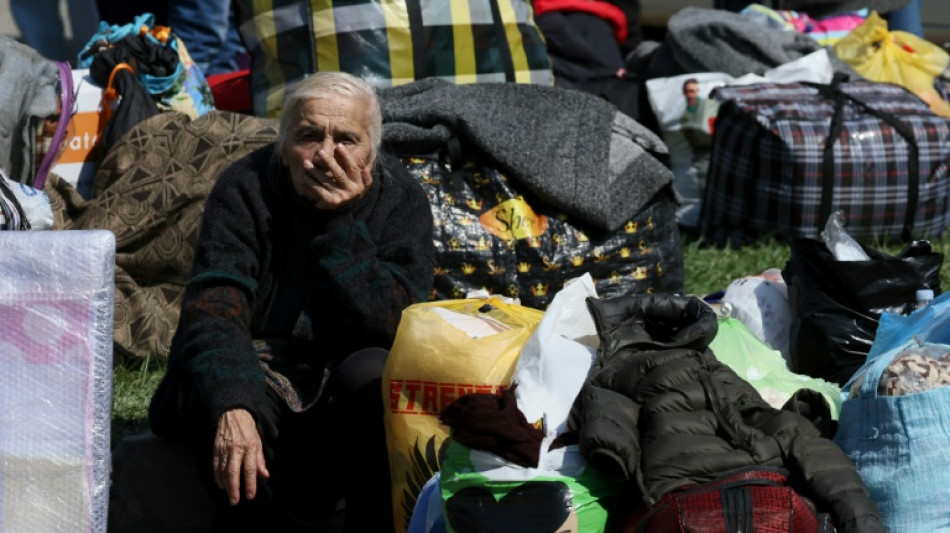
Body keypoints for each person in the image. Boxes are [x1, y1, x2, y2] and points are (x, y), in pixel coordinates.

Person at [148, 71, 435, 531]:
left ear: (371, 152)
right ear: (283, 146)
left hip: (342, 366)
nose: (325, 155)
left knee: (375, 376)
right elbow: (215, 309)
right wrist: (233, 402)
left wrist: (341, 225)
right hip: (260, 359)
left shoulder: (400, 198)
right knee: (216, 392)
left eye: (346, 139)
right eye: (308, 136)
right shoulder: (245, 188)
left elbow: (394, 325)